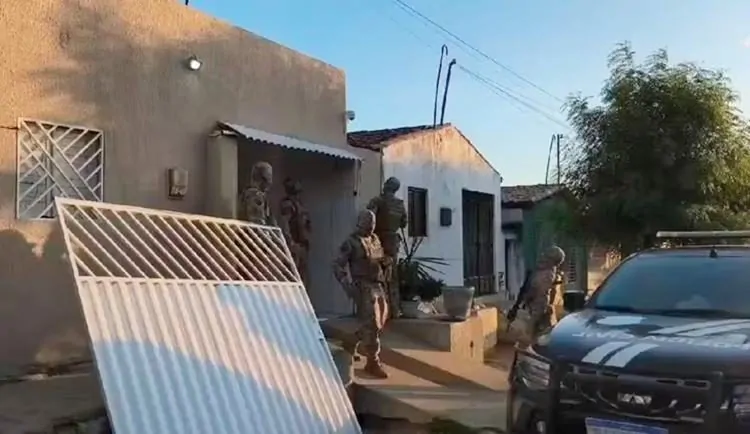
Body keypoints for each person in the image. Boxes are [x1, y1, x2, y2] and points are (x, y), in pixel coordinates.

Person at [332, 209, 392, 379]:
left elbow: (379, 259)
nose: (371, 226)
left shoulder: (374, 239)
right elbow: (337, 265)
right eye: (368, 222)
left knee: (377, 322)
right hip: (363, 286)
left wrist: (386, 263)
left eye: (373, 223)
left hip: (377, 284)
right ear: (361, 222)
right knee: (372, 323)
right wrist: (347, 285)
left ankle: (350, 343)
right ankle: (372, 361)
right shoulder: (351, 242)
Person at [366, 177, 407, 318]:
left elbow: (368, 216)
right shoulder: (400, 204)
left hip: (379, 240)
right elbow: (404, 223)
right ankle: (394, 309)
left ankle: (378, 309)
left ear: (387, 186)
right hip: (393, 241)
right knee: (392, 276)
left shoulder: (378, 201)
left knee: (376, 274)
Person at [519, 246, 566, 340]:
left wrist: (528, 297)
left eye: (547, 256)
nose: (543, 257)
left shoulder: (548, 274)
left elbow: (540, 290)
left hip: (539, 304)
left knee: (532, 330)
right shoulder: (544, 271)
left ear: (552, 260)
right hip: (537, 303)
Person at [279, 177, 311, 287]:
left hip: (302, 245)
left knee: (303, 279)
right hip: (295, 246)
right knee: (293, 277)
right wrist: (291, 243)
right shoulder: (288, 204)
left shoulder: (299, 204)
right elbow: (285, 224)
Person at [241, 161, 274, 226]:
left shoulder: (249, 194)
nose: (271, 182)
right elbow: (257, 221)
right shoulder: (255, 195)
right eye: (269, 177)